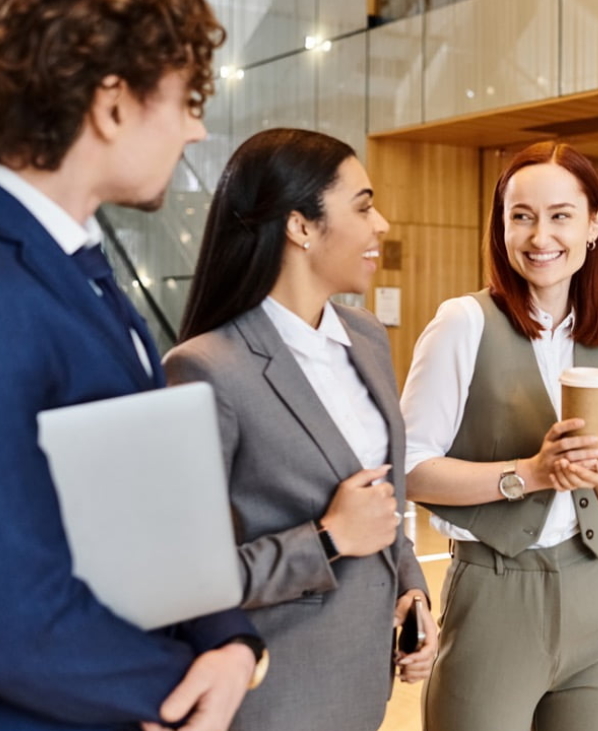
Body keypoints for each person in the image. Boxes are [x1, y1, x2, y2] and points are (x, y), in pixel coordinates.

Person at [0, 2, 267, 730]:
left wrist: (227, 641)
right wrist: (180, 691)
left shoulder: (70, 259)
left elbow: (150, 499)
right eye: (188, 101)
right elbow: (0, 605)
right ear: (112, 104)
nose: (197, 129)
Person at [163, 128, 436, 731]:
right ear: (301, 226)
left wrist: (411, 588)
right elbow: (185, 576)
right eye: (363, 206)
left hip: (363, 684)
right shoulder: (205, 369)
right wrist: (329, 538)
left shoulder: (365, 339)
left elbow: (382, 502)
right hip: (273, 693)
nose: (382, 224)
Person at [401, 141, 598, 731]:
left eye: (560, 215)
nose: (540, 236)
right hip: (495, 590)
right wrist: (531, 474)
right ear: (501, 226)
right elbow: (409, 468)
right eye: (521, 216)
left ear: (594, 224)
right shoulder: (463, 324)